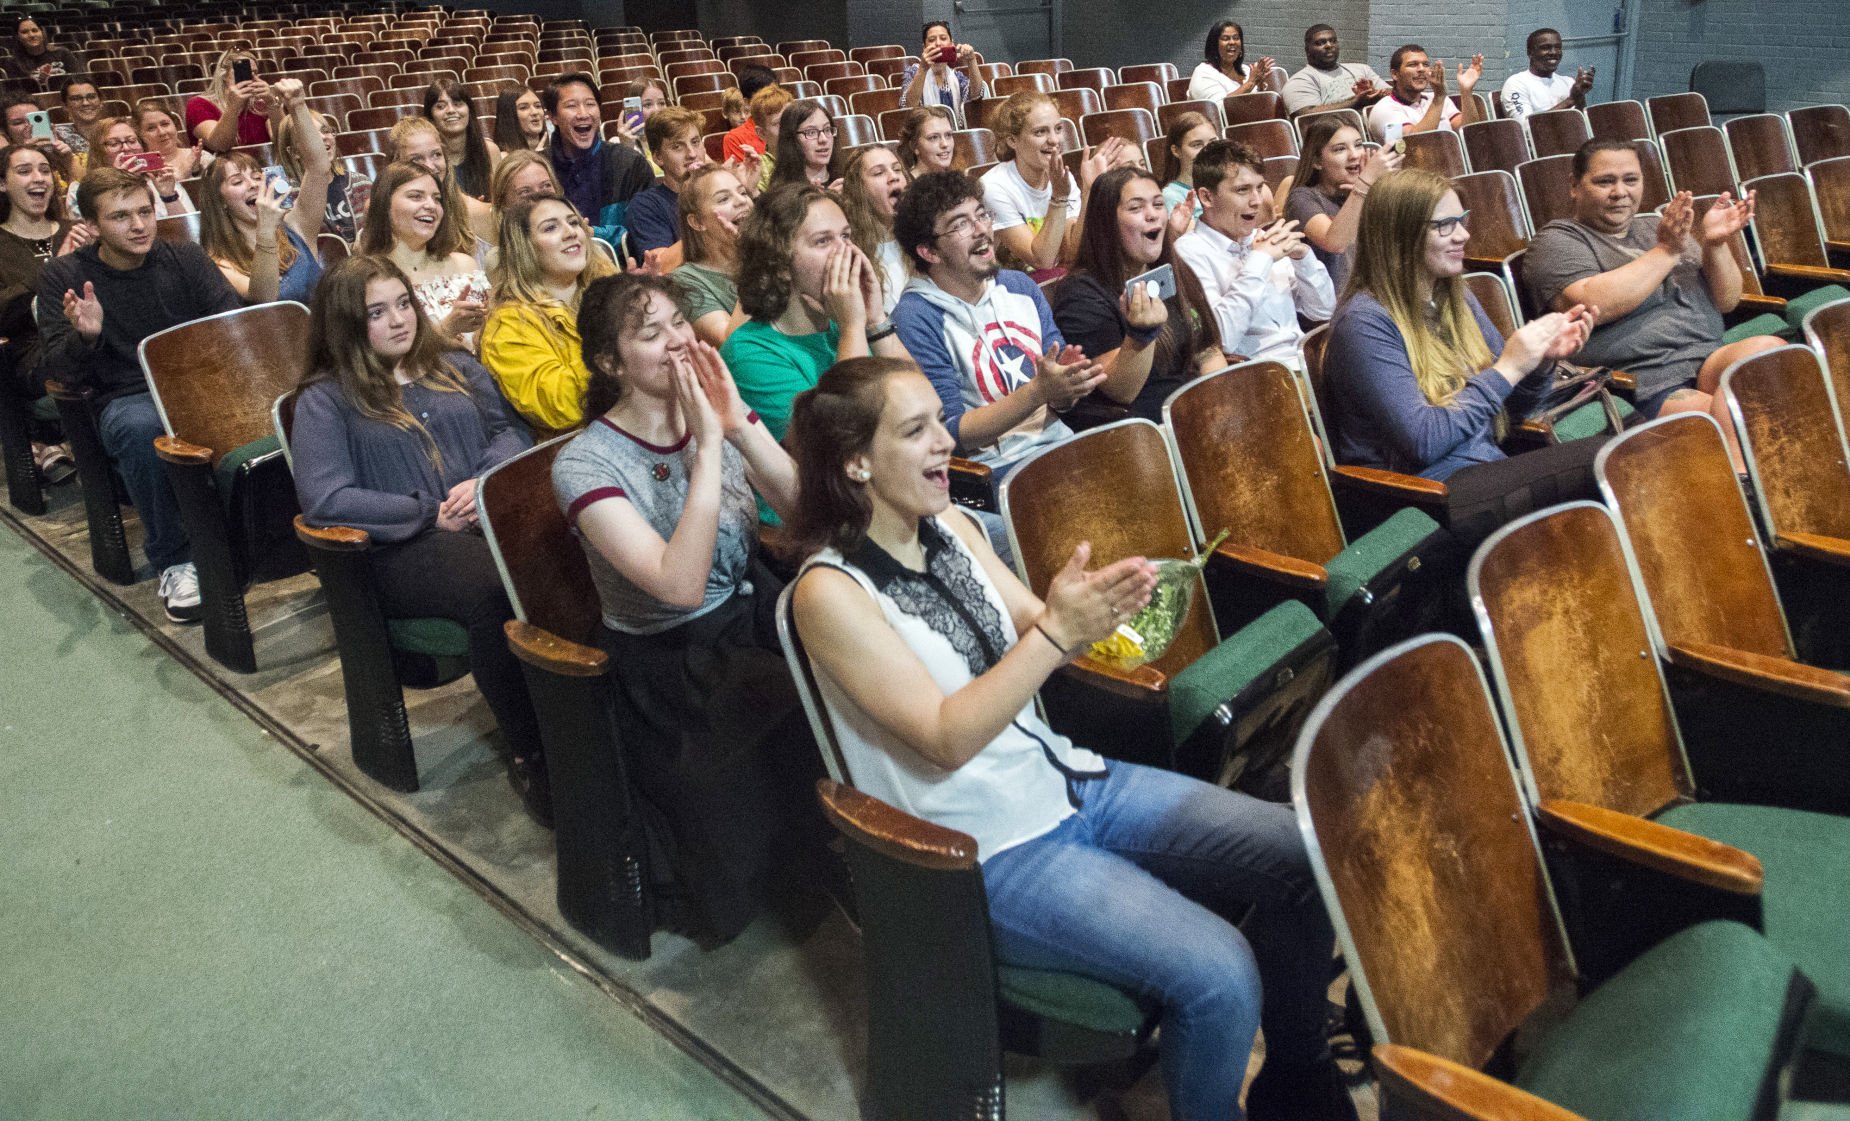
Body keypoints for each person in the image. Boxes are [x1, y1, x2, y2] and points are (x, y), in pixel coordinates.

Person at [784, 355, 1358, 1121]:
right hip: (987, 849)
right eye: (915, 430)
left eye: (937, 422)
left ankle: (1299, 1082)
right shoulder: (827, 592)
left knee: (1303, 850)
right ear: (856, 461)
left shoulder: (949, 523)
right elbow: (943, 735)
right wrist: (1058, 633)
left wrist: (1100, 612)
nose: (942, 444)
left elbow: (1036, 623)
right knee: (1220, 973)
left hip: (1069, 779)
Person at [551, 272, 814, 944]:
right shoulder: (586, 463)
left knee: (847, 683)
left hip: (750, 609)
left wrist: (738, 422)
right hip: (669, 663)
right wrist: (707, 449)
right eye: (651, 334)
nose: (677, 343)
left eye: (678, 324)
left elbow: (803, 512)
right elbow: (679, 585)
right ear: (612, 363)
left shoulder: (709, 410)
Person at [290, 255, 548, 825]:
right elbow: (328, 499)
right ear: (345, 326)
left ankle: (587, 723)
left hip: (481, 517)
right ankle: (534, 750)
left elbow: (510, 430)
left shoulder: (452, 363)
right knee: (494, 591)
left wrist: (483, 480)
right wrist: (428, 513)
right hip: (398, 550)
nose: (399, 320)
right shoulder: (325, 398)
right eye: (376, 313)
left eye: (403, 304)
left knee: (561, 558)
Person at [1325, 169, 1604, 543]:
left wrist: (1540, 365)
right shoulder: (1364, 323)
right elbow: (1423, 442)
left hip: (1481, 470)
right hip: (1422, 496)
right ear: (1400, 236)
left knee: (1627, 447)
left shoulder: (1455, 297)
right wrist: (1507, 368)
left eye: (1462, 220)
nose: (1464, 234)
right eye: (1445, 225)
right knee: (1604, 461)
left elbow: (1511, 412)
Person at [36, 166, 244, 621]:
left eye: (145, 211)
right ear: (91, 226)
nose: (138, 225)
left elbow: (231, 323)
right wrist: (85, 336)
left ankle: (267, 537)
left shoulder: (184, 257)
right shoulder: (65, 276)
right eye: (120, 217)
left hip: (200, 382)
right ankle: (175, 559)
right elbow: (57, 370)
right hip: (126, 396)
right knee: (142, 426)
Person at [1524, 138, 1779, 464]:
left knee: (1770, 353)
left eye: (1630, 180)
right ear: (1575, 186)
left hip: (1708, 359)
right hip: (1647, 380)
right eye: (1605, 181)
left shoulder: (1656, 228)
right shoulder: (1558, 240)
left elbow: (1727, 301)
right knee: (1744, 423)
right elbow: (1593, 304)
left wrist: (1716, 244)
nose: (1620, 192)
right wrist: (1667, 251)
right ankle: (1747, 493)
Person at [892, 171, 1103, 478]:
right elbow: (949, 433)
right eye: (961, 224)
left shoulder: (1020, 287)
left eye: (982, 215)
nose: (981, 230)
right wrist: (1037, 391)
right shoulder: (915, 317)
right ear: (929, 251)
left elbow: (1059, 398)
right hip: (993, 472)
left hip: (1059, 447)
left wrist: (1066, 384)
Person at [721, 184, 909, 444]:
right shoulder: (748, 351)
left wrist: (876, 321)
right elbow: (833, 443)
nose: (846, 251)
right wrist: (853, 327)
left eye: (846, 236)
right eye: (823, 241)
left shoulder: (843, 325)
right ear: (781, 263)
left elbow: (920, 404)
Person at [1052, 167, 1217, 421]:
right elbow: (1121, 392)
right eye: (1136, 208)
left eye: (1158, 204)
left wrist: (1220, 404)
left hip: (1198, 414)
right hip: (1145, 430)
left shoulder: (1172, 270)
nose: (1153, 215)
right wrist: (1141, 335)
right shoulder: (1080, 293)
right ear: (1106, 222)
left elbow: (1208, 353)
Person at [1174, 140, 1334, 367]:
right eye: (1242, 190)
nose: (1257, 201)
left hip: (1306, 363)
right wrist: (1260, 260)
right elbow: (1223, 340)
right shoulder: (1188, 252)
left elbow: (1323, 310)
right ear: (1207, 197)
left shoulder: (1264, 239)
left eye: (1259, 187)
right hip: (1253, 377)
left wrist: (1303, 257)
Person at [480, 193, 617, 432]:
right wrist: (607, 335)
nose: (571, 232)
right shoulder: (509, 325)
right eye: (551, 228)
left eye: (574, 222)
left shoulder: (610, 289)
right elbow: (561, 408)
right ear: (525, 246)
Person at [0, 142, 90, 484]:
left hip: (89, 334)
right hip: (30, 354)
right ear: (3, 184)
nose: (38, 178)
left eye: (43, 170)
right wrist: (55, 271)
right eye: (24, 172)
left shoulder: (73, 229)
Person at [981, 91, 1121, 276]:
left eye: (1058, 129)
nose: (1054, 140)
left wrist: (1089, 190)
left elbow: (1072, 252)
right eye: (1040, 132)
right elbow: (1042, 261)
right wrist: (1059, 198)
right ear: (1012, 140)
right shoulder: (993, 187)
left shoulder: (1062, 177)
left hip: (1060, 281)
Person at [357, 161, 489, 342]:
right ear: (385, 205)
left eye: (437, 199)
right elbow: (378, 356)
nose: (431, 206)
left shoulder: (465, 265)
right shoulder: (366, 279)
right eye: (416, 197)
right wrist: (446, 329)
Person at [1286, 115, 1401, 294]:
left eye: (1358, 144)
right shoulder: (1302, 198)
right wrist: (1364, 186)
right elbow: (1335, 243)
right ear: (1317, 161)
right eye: (1340, 149)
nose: (1354, 155)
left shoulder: (1367, 193)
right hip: (1335, 307)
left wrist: (1375, 192)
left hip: (1380, 295)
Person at [543, 73, 654, 250]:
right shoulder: (541, 169)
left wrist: (595, 234)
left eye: (590, 104)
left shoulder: (630, 164)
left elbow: (646, 231)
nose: (583, 114)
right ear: (552, 117)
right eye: (571, 106)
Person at [670, 164, 753, 347]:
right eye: (724, 199)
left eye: (744, 193)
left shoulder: (776, 253)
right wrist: (755, 263)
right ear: (697, 222)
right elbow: (731, 341)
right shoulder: (685, 280)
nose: (741, 201)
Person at [390, 115, 492, 254]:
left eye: (436, 155)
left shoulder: (477, 213)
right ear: (396, 165)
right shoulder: (383, 215)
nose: (430, 166)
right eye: (416, 159)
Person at [626, 106, 713, 258]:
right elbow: (661, 264)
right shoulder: (646, 205)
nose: (692, 154)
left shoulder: (722, 190)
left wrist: (752, 192)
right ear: (658, 157)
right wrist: (717, 228)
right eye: (677, 147)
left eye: (695, 142)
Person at [68, 118, 192, 219]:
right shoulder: (79, 190)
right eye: (114, 143)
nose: (126, 148)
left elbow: (190, 232)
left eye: (132, 141)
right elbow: (91, 239)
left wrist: (168, 195)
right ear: (98, 151)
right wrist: (116, 183)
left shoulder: (162, 180)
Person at [839, 144, 909, 315]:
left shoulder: (923, 240)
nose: (893, 177)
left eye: (897, 169)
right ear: (858, 189)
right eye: (879, 173)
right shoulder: (851, 255)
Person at [1366, 45, 1484, 141]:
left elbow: (1469, 132)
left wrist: (1466, 91)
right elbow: (1414, 143)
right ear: (1395, 74)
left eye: (1426, 64)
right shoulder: (1383, 110)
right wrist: (1439, 98)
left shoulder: (1437, 99)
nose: (1422, 69)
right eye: (1413, 65)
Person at [276, 106, 354, 242]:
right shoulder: (285, 196)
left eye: (326, 131)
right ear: (294, 152)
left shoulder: (360, 182)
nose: (323, 137)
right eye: (311, 134)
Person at [1281, 25, 1388, 118]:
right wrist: (1356, 102)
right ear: (1307, 50)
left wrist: (1376, 94)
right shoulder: (1300, 81)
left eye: (1333, 41)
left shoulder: (1362, 69)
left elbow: (1392, 93)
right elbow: (1305, 115)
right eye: (1320, 43)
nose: (1329, 45)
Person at [423, 78, 501, 202]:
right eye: (441, 106)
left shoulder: (490, 151)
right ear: (431, 116)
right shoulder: (428, 159)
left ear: (469, 110)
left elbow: (500, 202)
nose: (451, 110)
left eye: (458, 104)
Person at [187, 49, 277, 153]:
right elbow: (220, 146)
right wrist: (233, 107)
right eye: (244, 72)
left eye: (255, 73)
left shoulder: (260, 104)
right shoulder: (198, 104)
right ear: (224, 75)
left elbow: (282, 139)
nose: (251, 77)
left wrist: (271, 102)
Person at [1500, 28, 1596, 120]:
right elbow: (1526, 127)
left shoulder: (1568, 82)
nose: (1553, 52)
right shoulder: (1516, 84)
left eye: (1558, 47)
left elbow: (1582, 123)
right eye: (1546, 47)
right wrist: (1571, 100)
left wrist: (1580, 95)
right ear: (1530, 53)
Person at [899, 21, 987, 117]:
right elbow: (908, 106)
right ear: (924, 47)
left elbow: (976, 96)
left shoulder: (957, 77)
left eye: (943, 38)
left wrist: (972, 60)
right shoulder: (912, 72)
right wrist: (923, 69)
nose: (938, 43)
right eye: (932, 40)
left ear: (951, 44)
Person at [1187, 21, 1277, 102]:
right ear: (1214, 45)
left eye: (1236, 38)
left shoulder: (1246, 70)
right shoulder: (1203, 74)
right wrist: (1251, 82)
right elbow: (1218, 109)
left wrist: (1260, 85)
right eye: (1225, 39)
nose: (1232, 42)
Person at [767, 100, 838, 191]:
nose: (823, 139)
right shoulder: (782, 192)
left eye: (827, 129)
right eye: (811, 132)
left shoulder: (847, 178)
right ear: (792, 139)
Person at [1159, 111, 1215, 219]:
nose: (1208, 150)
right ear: (1176, 151)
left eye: (1212, 142)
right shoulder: (1171, 196)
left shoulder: (1225, 184)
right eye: (1197, 145)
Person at [133, 100, 205, 183]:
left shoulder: (202, 157)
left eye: (165, 124)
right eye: (151, 128)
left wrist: (196, 170)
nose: (162, 132)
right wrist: (184, 172)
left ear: (175, 125)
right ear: (139, 134)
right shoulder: (138, 167)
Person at [612, 76, 671, 176]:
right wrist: (627, 149)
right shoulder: (618, 144)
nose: (657, 110)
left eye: (661, 103)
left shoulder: (676, 135)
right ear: (632, 109)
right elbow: (624, 185)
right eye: (647, 105)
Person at [720, 66, 778, 162]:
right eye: (765, 97)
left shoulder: (791, 125)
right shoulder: (734, 139)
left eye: (776, 93)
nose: (773, 100)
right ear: (747, 102)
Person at [739, 84, 791, 190]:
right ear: (761, 133)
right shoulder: (758, 170)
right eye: (780, 123)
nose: (790, 127)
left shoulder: (814, 154)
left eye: (793, 119)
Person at [4, 17, 79, 85]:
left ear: (42, 33)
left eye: (35, 30)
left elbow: (79, 79)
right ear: (18, 37)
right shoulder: (13, 63)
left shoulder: (63, 53)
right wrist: (35, 81)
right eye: (24, 32)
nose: (31, 35)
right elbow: (15, 92)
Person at [896, 105, 956, 177]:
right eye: (933, 137)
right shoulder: (906, 186)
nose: (945, 144)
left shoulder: (959, 181)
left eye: (948, 135)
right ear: (913, 145)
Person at [492, 83, 551, 154]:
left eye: (538, 106)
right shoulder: (503, 158)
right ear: (509, 116)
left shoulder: (555, 148)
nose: (534, 112)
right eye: (523, 108)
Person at [54, 75, 103, 158]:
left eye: (91, 97)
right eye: (76, 99)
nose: (85, 103)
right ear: (65, 106)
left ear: (101, 102)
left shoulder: (116, 130)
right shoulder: (58, 136)